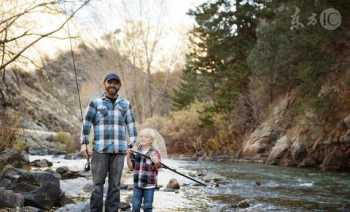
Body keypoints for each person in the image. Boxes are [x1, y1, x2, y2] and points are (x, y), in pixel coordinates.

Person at [80, 72, 137, 212]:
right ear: (104, 84)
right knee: (97, 185)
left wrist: (133, 144)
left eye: (115, 83)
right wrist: (84, 143)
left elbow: (131, 125)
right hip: (100, 150)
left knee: (115, 186)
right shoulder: (96, 103)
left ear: (119, 85)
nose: (112, 85)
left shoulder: (125, 104)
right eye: (110, 82)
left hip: (119, 151)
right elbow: (87, 123)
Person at [126, 128, 161, 212]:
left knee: (147, 206)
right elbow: (131, 167)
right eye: (141, 136)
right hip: (137, 184)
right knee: (135, 206)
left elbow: (157, 167)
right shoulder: (136, 151)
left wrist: (156, 162)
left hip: (149, 185)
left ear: (151, 140)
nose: (143, 138)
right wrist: (128, 156)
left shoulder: (155, 152)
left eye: (146, 137)